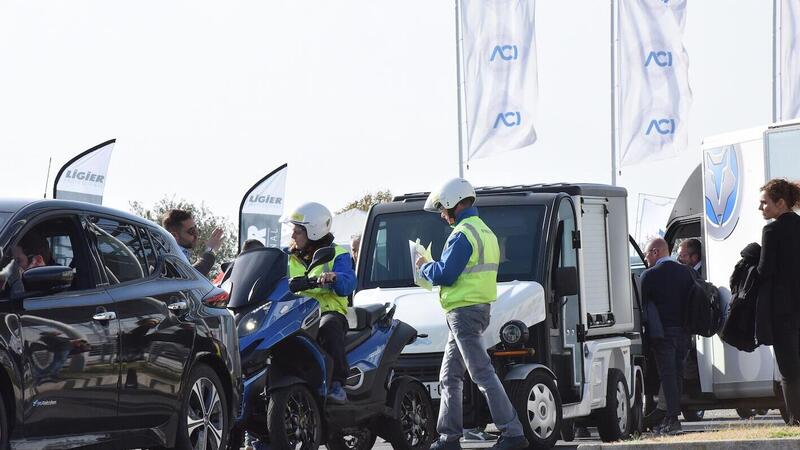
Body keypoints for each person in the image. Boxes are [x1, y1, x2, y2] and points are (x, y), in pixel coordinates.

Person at [415, 178, 528, 450]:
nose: (443, 215)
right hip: (474, 310)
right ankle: (448, 438)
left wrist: (424, 266)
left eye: (444, 209)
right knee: (449, 377)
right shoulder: (484, 230)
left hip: (463, 312)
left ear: (455, 203)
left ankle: (512, 432)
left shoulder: (463, 233)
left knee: (481, 373)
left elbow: (446, 273)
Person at [284, 202, 355, 404]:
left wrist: (334, 277)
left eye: (297, 231)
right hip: (295, 314)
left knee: (329, 327)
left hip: (327, 311)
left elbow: (348, 282)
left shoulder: (337, 254)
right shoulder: (288, 257)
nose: (293, 236)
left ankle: (337, 384)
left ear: (313, 232)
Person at [756, 178, 800, 425]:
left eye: (764, 203)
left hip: (782, 310)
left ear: (780, 203)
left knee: (788, 369)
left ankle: (796, 420)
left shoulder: (771, 231)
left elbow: (765, 271)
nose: (760, 208)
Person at [640, 238, 695, 435]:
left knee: (667, 374)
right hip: (683, 333)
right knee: (677, 374)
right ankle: (669, 416)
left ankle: (672, 419)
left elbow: (642, 308)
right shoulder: (687, 273)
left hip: (662, 334)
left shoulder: (649, 276)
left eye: (647, 254)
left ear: (655, 252)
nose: (646, 259)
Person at [162, 209, 224, 277]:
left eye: (196, 229)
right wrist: (211, 250)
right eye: (192, 231)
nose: (196, 234)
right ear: (174, 236)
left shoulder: (177, 253)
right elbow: (191, 277)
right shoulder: (168, 257)